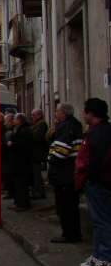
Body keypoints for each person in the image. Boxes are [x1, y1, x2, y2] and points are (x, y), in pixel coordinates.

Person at [75, 98, 111, 266]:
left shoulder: (100, 133)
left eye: (85, 111)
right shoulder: (96, 131)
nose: (83, 114)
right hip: (96, 182)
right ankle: (97, 254)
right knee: (97, 221)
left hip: (99, 183)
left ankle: (104, 256)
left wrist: (89, 176)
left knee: (102, 221)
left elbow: (97, 160)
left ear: (91, 113)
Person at [47, 103, 84, 243]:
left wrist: (51, 159)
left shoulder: (66, 126)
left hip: (64, 173)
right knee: (71, 207)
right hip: (70, 172)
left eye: (57, 111)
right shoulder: (75, 124)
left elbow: (61, 151)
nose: (55, 113)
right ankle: (74, 233)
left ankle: (69, 235)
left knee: (65, 207)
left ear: (63, 113)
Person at [9, 113, 33, 211]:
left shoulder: (24, 130)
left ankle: (22, 204)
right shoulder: (20, 129)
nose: (13, 121)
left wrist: (12, 144)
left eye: (15, 119)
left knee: (21, 184)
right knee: (18, 183)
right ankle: (19, 202)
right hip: (19, 161)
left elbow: (23, 145)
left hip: (22, 162)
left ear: (19, 120)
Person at [30, 109, 49, 199]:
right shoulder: (36, 124)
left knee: (36, 174)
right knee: (35, 174)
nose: (32, 117)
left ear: (39, 115)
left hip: (37, 153)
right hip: (35, 152)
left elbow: (37, 137)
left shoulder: (41, 124)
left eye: (33, 115)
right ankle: (37, 191)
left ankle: (39, 192)